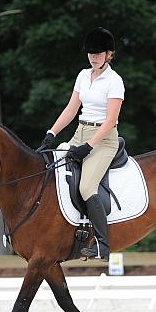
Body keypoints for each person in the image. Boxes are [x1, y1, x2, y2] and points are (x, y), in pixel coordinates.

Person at [38, 27, 124, 261]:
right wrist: (51, 133)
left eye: (98, 54)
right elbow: (72, 108)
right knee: (52, 169)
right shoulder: (83, 75)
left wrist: (89, 147)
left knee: (87, 187)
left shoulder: (115, 82)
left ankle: (102, 245)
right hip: (79, 131)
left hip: (104, 139)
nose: (93, 58)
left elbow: (111, 120)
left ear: (109, 54)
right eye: (90, 54)